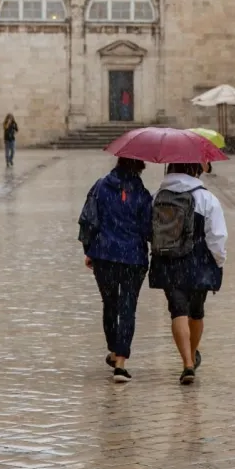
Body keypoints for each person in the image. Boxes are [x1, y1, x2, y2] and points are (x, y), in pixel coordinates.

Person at [149, 162, 227, 385]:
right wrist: (219, 261)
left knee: (177, 311)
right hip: (199, 262)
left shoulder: (157, 197)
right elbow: (217, 236)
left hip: (168, 261)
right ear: (195, 170)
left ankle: (187, 364)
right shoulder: (207, 199)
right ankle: (192, 355)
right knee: (196, 312)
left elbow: (149, 229)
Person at [79, 157, 153, 383]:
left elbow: (88, 221)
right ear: (140, 167)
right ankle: (120, 362)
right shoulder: (143, 194)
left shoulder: (100, 186)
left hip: (104, 255)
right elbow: (149, 230)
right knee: (128, 306)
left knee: (110, 304)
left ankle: (114, 348)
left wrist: (90, 249)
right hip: (133, 258)